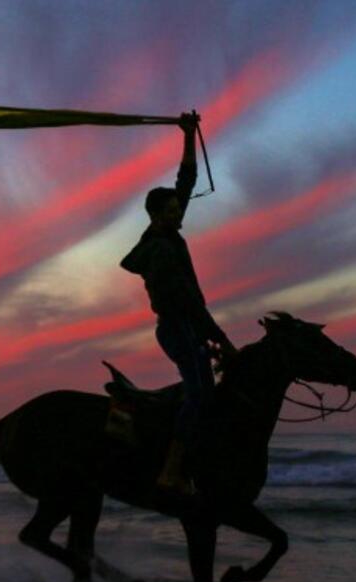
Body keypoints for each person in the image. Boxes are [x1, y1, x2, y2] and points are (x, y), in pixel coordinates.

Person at [120, 111, 237, 496]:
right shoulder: (160, 250)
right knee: (200, 393)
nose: (179, 215)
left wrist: (187, 134)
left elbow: (185, 181)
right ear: (156, 216)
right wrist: (220, 338)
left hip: (187, 326)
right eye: (172, 212)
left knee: (203, 390)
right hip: (178, 327)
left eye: (177, 210)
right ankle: (171, 470)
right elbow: (188, 304)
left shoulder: (165, 231)